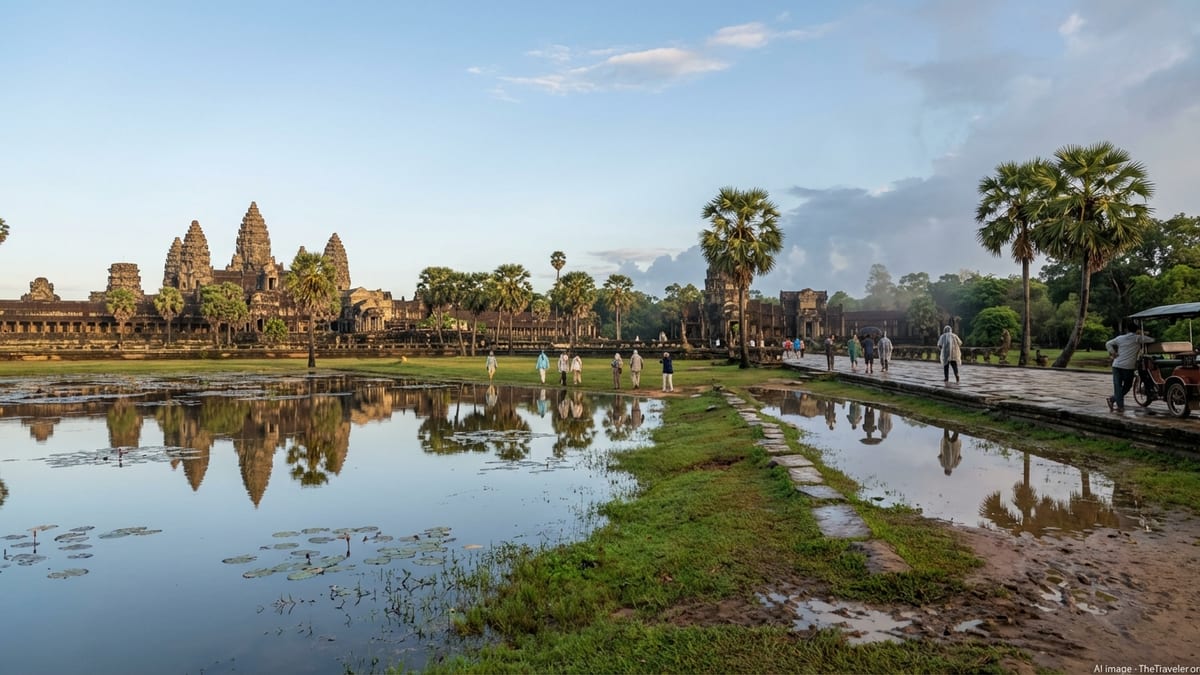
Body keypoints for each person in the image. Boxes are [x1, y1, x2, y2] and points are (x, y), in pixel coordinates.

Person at [1105, 327, 1154, 412]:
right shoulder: (1138, 338)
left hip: (1117, 365)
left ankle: (1113, 399)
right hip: (1127, 367)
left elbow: (1108, 343)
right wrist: (1143, 334)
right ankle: (1120, 406)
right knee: (1127, 386)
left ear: (1127, 330)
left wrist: (1113, 353)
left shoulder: (1120, 338)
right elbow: (1152, 340)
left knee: (1118, 386)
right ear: (1137, 331)